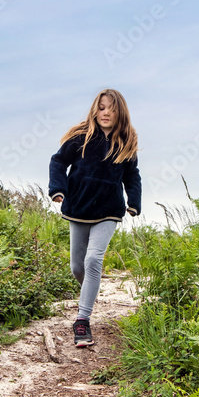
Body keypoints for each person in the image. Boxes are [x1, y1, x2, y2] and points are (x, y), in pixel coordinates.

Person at [49, 88, 142, 347]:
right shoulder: (81, 137)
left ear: (120, 112)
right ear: (95, 109)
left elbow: (132, 176)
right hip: (78, 207)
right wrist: (58, 189)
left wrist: (134, 202)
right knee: (77, 267)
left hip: (109, 210)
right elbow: (57, 162)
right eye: (101, 108)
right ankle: (90, 291)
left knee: (93, 260)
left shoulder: (126, 142)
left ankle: (82, 321)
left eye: (111, 108)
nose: (106, 113)